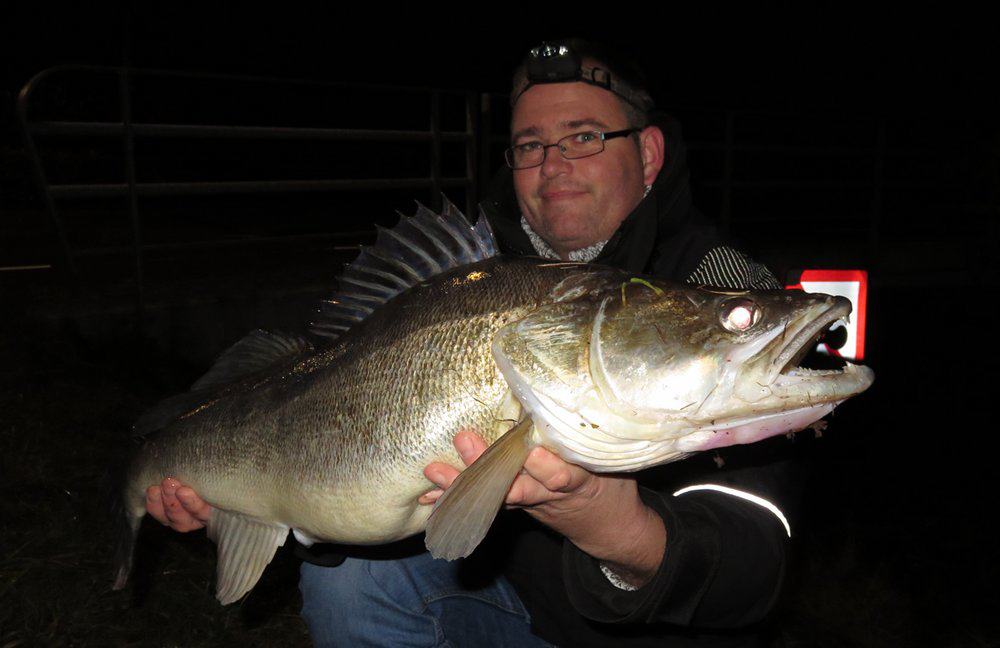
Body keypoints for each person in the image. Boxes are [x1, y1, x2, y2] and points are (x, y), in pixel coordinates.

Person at [147, 40, 797, 647]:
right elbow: (346, 433)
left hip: (643, 630)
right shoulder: (467, 279)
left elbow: (750, 576)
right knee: (348, 579)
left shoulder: (718, 289)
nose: (553, 166)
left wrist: (605, 518)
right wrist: (244, 499)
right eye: (530, 145)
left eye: (585, 137)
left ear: (649, 154)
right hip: (497, 607)